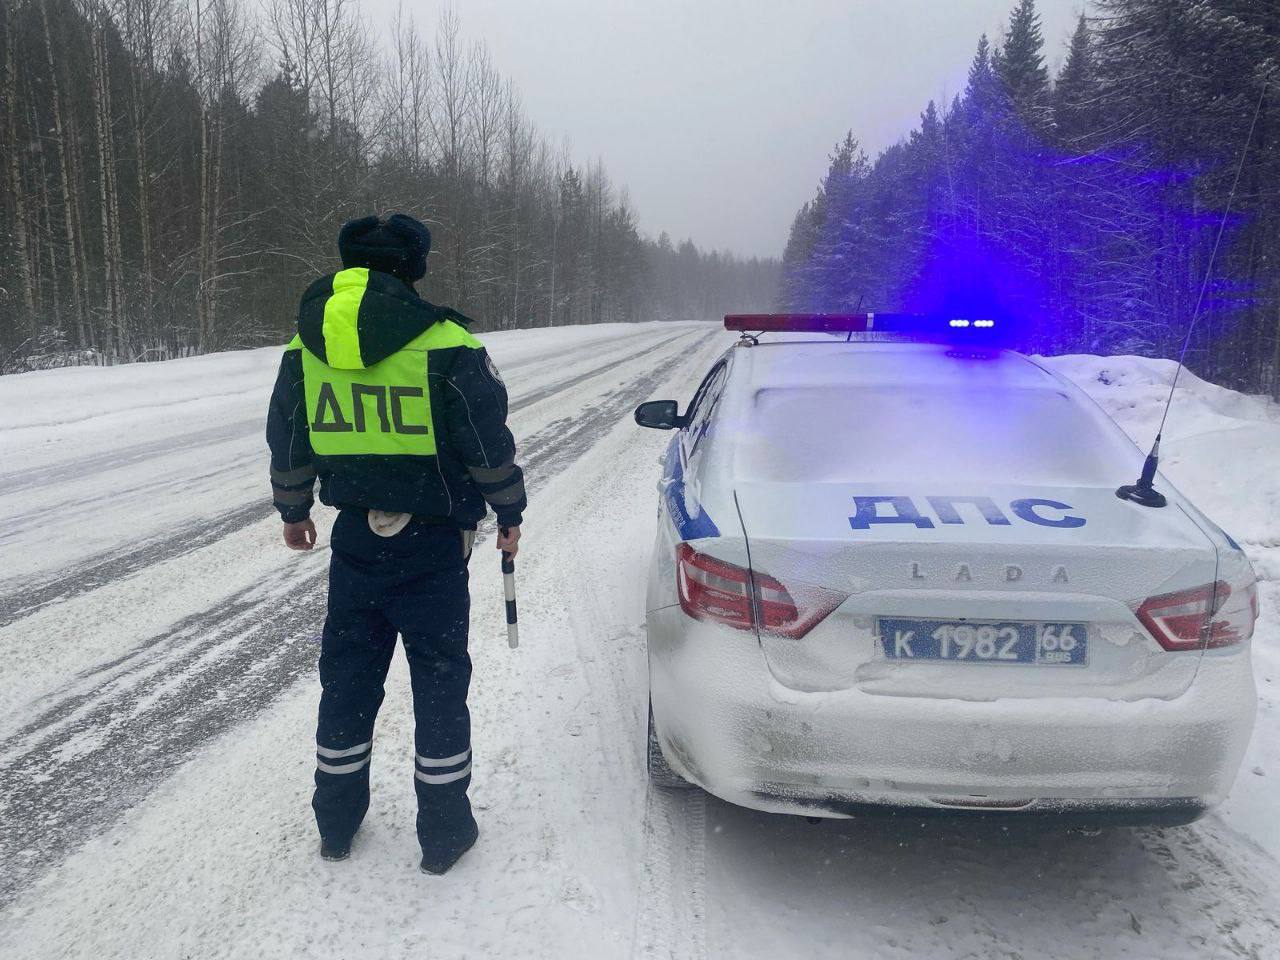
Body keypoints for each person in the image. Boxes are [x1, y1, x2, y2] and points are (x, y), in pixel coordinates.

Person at [265, 213, 526, 874]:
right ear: (414, 268)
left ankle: (336, 822)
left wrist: (294, 510)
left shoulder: (304, 347)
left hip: (355, 541)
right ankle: (443, 834)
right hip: (434, 545)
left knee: (348, 680)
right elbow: (485, 441)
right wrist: (509, 509)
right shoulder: (445, 342)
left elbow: (289, 438)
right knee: (439, 682)